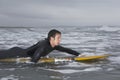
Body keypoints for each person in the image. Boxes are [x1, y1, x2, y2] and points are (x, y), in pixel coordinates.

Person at [0, 29, 81, 63]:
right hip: (15, 54)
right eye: (58, 38)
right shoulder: (43, 47)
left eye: (60, 38)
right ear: (51, 38)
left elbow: (66, 50)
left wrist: (79, 54)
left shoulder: (53, 45)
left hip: (19, 51)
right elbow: (33, 62)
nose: (60, 40)